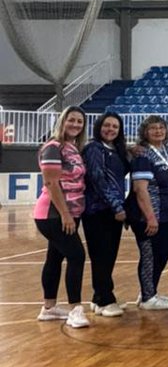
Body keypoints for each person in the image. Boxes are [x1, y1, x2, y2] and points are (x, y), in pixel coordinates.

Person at [33, 105, 90, 328]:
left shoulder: (73, 148)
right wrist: (65, 215)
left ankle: (49, 308)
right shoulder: (52, 147)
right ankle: (76, 309)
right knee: (77, 255)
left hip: (70, 213)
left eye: (79, 121)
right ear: (62, 122)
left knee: (55, 258)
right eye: (71, 120)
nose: (75, 124)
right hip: (53, 214)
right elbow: (51, 183)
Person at [127, 114, 168, 310]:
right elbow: (140, 189)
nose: (157, 131)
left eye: (160, 127)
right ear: (145, 132)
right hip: (148, 216)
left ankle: (149, 291)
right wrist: (150, 217)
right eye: (152, 128)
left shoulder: (166, 150)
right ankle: (148, 298)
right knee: (149, 255)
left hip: (166, 214)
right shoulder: (142, 155)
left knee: (164, 251)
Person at [82, 111, 129, 317]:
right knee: (101, 255)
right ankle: (105, 299)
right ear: (99, 126)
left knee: (109, 255)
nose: (110, 129)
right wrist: (116, 206)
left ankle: (98, 297)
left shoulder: (115, 150)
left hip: (112, 211)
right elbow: (98, 179)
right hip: (97, 210)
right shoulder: (93, 148)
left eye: (115, 127)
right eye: (107, 125)